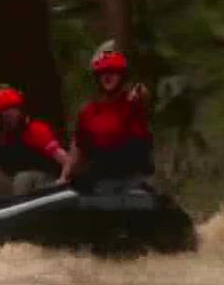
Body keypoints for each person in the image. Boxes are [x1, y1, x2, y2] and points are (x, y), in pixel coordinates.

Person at [60, 45, 155, 189]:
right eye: (103, 73)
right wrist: (64, 177)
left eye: (113, 72)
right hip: (101, 175)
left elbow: (143, 94)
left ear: (122, 76)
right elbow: (79, 148)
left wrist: (140, 91)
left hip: (133, 175)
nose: (107, 76)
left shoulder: (132, 103)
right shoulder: (89, 111)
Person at [0, 86, 70, 201]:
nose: (5, 117)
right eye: (1, 113)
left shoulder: (35, 130)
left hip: (47, 180)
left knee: (22, 179)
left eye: (8, 112)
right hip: (17, 183)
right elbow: (2, 171)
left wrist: (63, 180)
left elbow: (66, 160)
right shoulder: (4, 137)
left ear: (18, 111)